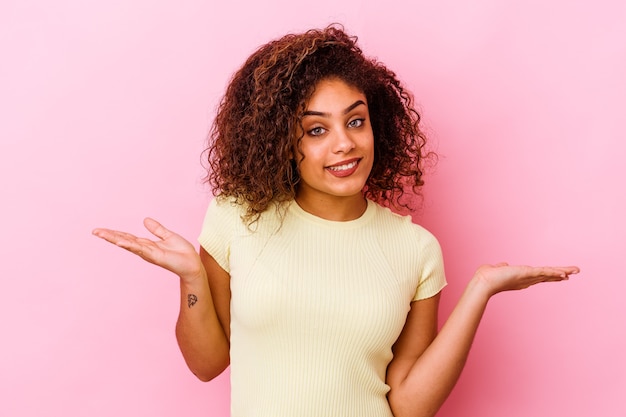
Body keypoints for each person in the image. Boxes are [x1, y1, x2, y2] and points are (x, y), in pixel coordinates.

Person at [93, 25, 579, 417]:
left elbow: (409, 406)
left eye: (356, 120)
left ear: (377, 125)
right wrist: (192, 277)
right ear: (284, 141)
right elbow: (206, 364)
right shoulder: (236, 218)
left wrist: (480, 289)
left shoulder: (415, 249)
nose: (344, 144)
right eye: (316, 129)